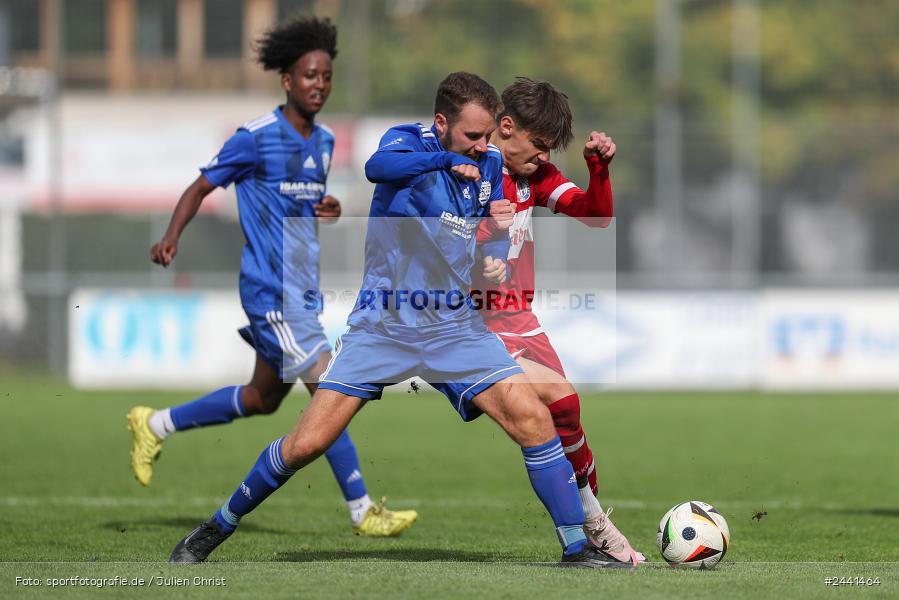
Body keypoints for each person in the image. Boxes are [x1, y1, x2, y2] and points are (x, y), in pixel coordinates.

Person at [167, 72, 632, 568]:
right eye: (472, 136)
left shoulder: (492, 164)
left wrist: (494, 252)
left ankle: (577, 548)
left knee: (533, 418)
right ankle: (216, 526)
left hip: (454, 327)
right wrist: (447, 160)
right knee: (308, 444)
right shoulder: (408, 142)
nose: (481, 147)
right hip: (383, 325)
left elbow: (491, 230)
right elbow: (376, 167)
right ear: (441, 123)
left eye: (485, 136)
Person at [127, 16, 417, 538]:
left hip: (302, 290)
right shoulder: (254, 138)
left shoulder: (325, 142)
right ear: (287, 80)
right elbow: (198, 188)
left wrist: (323, 208)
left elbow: (299, 205)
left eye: (327, 77)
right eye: (310, 75)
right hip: (270, 290)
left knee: (261, 399)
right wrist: (172, 236)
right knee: (331, 386)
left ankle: (154, 424)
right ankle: (362, 510)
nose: (320, 85)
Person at [475, 77, 644, 563]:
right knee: (555, 405)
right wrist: (484, 227)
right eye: (539, 145)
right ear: (506, 128)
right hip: (470, 320)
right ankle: (592, 525)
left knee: (567, 412)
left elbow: (596, 216)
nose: (545, 157)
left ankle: (589, 522)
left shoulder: (535, 177)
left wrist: (599, 169)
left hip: (519, 316)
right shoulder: (471, 172)